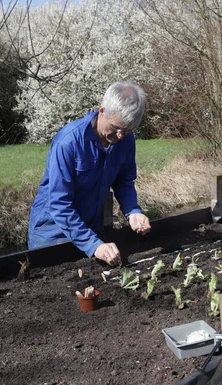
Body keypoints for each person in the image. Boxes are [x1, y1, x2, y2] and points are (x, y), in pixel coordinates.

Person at [28, 81, 151, 266]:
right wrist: (92, 244)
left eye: (127, 131)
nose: (120, 136)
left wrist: (132, 210)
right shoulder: (68, 142)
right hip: (52, 234)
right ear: (102, 111)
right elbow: (60, 204)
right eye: (116, 128)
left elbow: (124, 181)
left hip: (90, 230)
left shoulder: (126, 141)